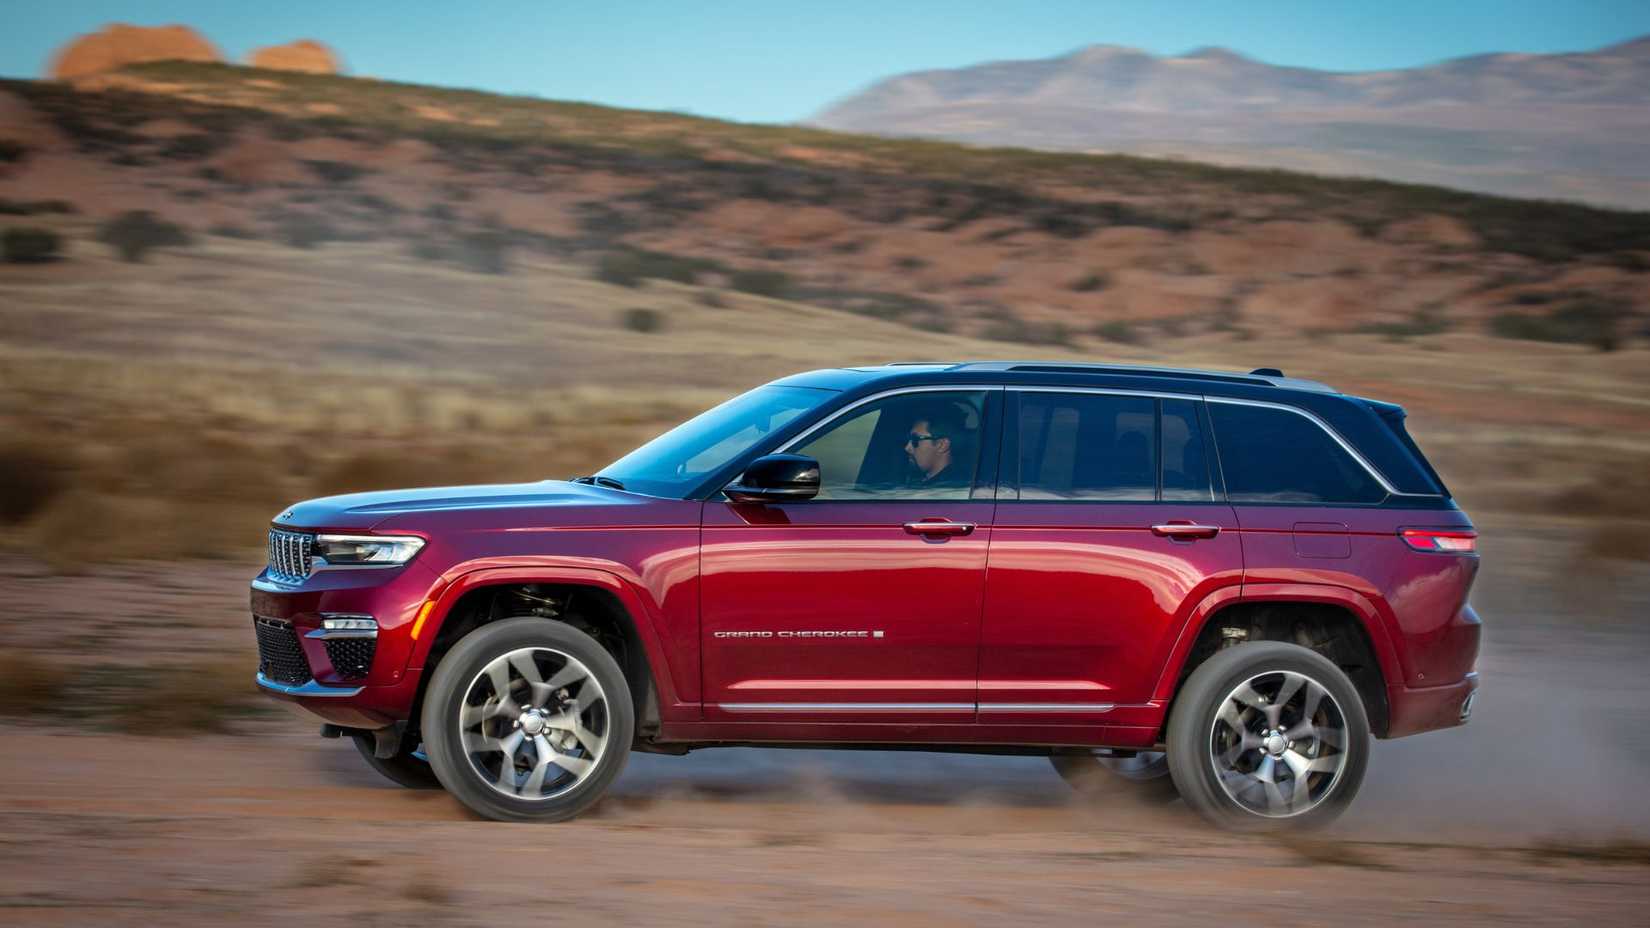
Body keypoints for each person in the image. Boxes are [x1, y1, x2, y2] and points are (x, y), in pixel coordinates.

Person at [903, 403, 972, 491]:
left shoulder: (948, 490)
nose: (907, 447)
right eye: (909, 439)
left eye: (915, 439)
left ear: (942, 445)